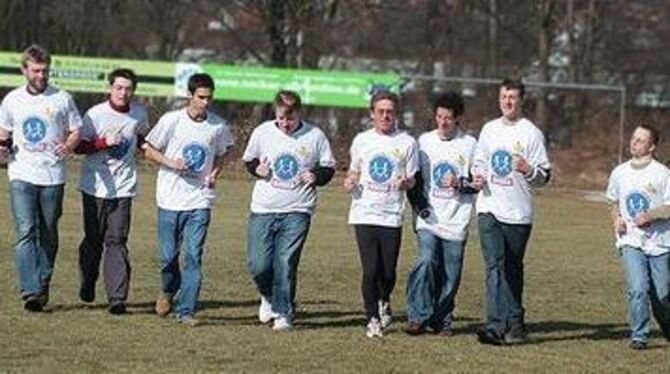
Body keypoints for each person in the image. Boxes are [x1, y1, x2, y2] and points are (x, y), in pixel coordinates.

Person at [141, 73, 234, 326]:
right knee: (168, 257)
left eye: (209, 98)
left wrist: (215, 172)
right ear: (189, 96)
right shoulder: (171, 120)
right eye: (201, 97)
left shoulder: (218, 126)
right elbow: (148, 149)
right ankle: (168, 290)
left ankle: (187, 311)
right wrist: (171, 162)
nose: (205, 102)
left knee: (193, 255)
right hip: (170, 198)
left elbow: (226, 151)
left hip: (199, 199)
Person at [242, 90, 336, 331]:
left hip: (298, 208)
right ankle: (268, 296)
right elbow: (249, 159)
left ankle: (283, 313)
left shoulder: (315, 136)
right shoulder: (263, 132)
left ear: (299, 114)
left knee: (285, 261)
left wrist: (315, 176)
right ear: (276, 113)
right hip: (263, 207)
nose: (285, 124)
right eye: (282, 118)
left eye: (290, 119)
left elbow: (328, 166)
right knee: (258, 264)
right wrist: (256, 169)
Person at [0, 44, 82, 312]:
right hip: (21, 172)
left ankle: (43, 280)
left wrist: (69, 145)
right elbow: (3, 133)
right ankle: (30, 290)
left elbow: (76, 131)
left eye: (45, 70)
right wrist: (1, 147)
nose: (41, 75)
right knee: (25, 230)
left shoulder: (62, 98)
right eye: (35, 70)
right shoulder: (12, 100)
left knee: (48, 232)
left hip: (53, 175)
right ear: (24, 70)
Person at [471, 78, 551, 345]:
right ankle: (495, 325)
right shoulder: (489, 130)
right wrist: (478, 176)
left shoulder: (531, 133)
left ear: (521, 100)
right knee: (495, 266)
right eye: (504, 96)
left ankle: (516, 321)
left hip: (518, 212)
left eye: (513, 97)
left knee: (512, 268)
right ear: (499, 99)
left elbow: (544, 176)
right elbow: (479, 162)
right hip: (489, 207)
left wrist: (528, 169)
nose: (508, 101)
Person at [73, 68, 149, 314]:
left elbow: (143, 139)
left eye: (128, 89)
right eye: (118, 87)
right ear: (110, 88)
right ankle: (87, 280)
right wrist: (104, 143)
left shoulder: (139, 114)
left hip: (123, 187)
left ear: (133, 91)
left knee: (117, 240)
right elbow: (79, 147)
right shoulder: (95, 115)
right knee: (93, 240)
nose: (123, 93)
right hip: (94, 187)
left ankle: (117, 298)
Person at [343, 90, 419, 338]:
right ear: (372, 114)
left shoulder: (407, 143)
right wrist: (350, 182)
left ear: (396, 114)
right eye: (381, 112)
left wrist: (406, 182)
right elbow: (353, 172)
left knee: (387, 271)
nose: (386, 116)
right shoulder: (362, 140)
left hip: (391, 214)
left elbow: (413, 180)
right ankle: (372, 319)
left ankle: (384, 299)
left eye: (390, 112)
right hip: (364, 212)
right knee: (370, 270)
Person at [404, 91, 478, 336]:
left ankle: (441, 319)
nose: (443, 122)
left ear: (457, 119)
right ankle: (417, 316)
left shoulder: (470, 145)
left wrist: (459, 183)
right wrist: (421, 207)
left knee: (450, 276)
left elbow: (478, 182)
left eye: (448, 118)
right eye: (439, 117)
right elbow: (414, 180)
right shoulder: (424, 142)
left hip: (457, 219)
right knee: (425, 262)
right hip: (429, 219)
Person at [605, 124, 670, 350]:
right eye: (634, 138)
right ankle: (639, 335)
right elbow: (613, 201)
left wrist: (651, 215)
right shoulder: (619, 172)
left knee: (662, 295)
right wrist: (617, 219)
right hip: (630, 240)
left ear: (652, 146)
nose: (634, 143)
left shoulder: (663, 173)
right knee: (638, 287)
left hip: (660, 244)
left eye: (641, 140)